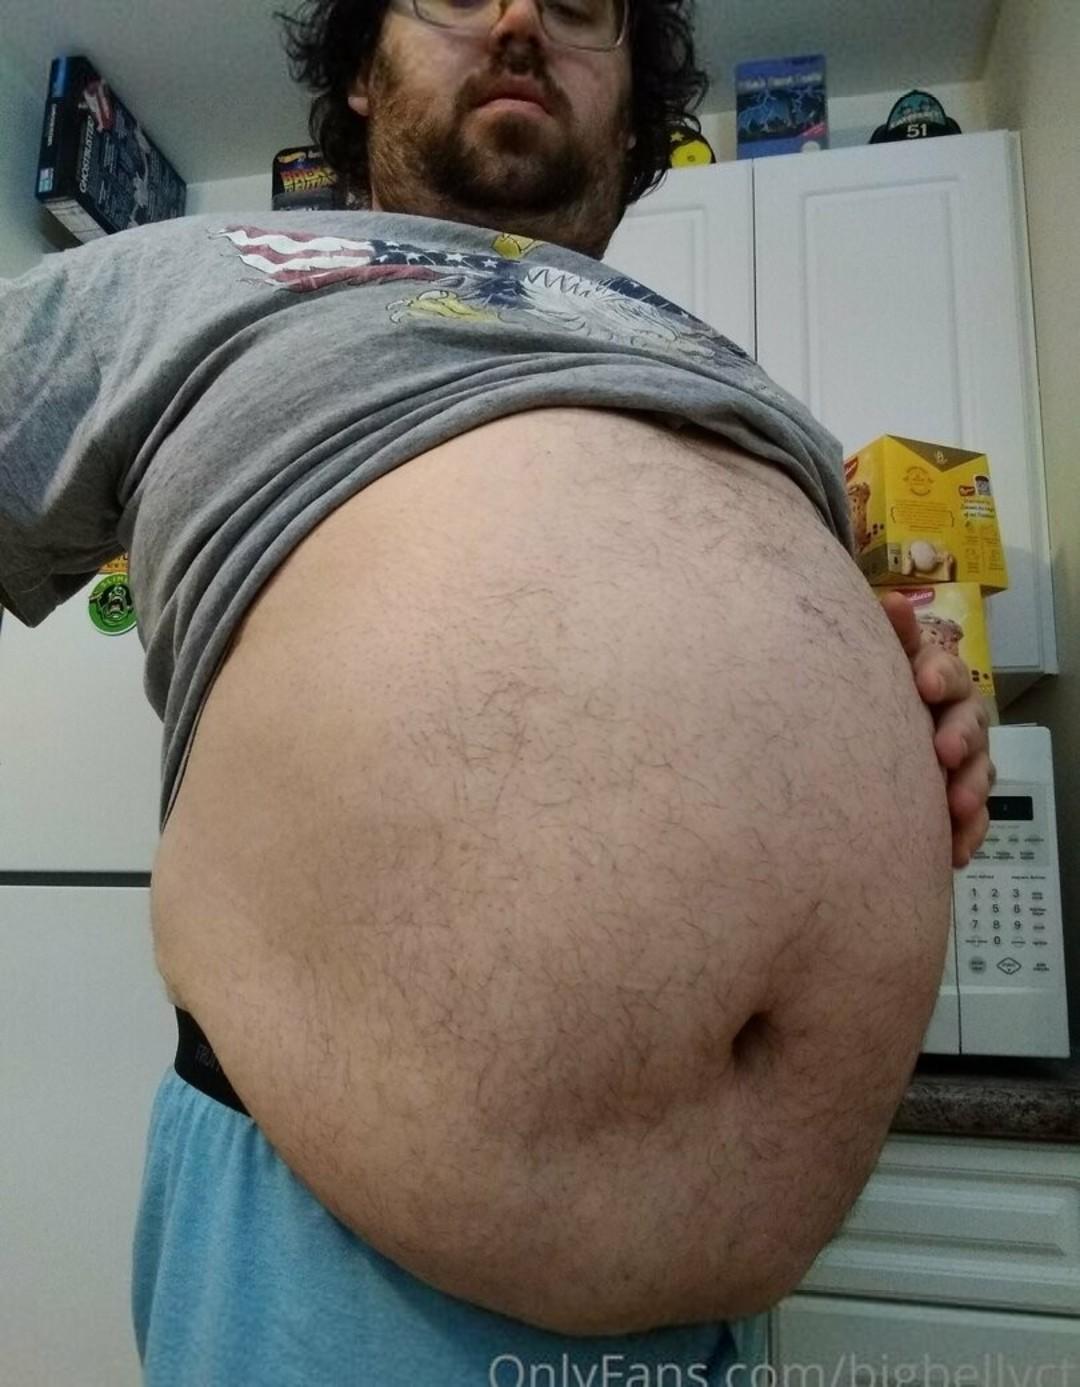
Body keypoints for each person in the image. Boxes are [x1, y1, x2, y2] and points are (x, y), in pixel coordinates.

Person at [0, 0, 995, 1382]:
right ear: (363, 72)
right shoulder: (193, 270)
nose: (522, 17)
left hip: (709, 1325)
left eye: (581, 6)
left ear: (633, 106)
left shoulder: (715, 358)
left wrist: (901, 711)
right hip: (352, 1266)